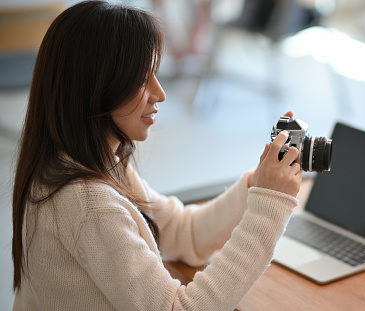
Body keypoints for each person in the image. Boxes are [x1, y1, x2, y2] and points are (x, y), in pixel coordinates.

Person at [11, 1, 302, 310]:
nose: (160, 93)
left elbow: (182, 233)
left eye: (155, 73)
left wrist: (256, 186)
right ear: (97, 87)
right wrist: (270, 205)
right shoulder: (90, 205)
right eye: (141, 78)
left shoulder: (92, 160)